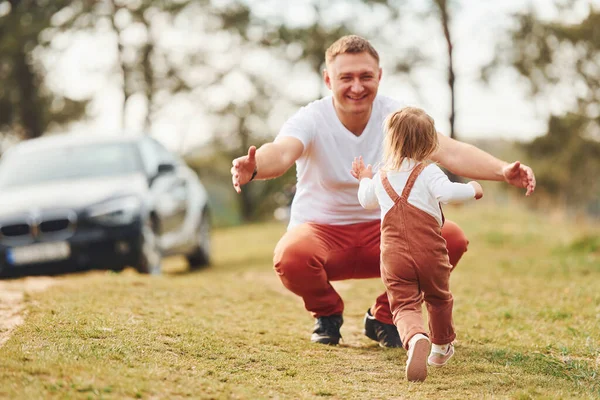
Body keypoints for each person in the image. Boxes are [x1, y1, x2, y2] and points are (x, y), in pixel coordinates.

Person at [230, 35, 535, 348]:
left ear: (379, 76)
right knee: (290, 257)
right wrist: (253, 167)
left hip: (389, 233)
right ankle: (327, 313)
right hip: (323, 233)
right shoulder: (311, 118)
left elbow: (451, 152)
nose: (357, 87)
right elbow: (280, 154)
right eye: (346, 78)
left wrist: (502, 170)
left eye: (366, 76)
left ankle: (385, 314)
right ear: (327, 79)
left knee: (451, 238)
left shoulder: (398, 117)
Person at [351, 107, 483, 381]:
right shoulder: (429, 172)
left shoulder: (382, 175)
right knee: (438, 298)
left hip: (394, 256)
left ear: (391, 141)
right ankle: (440, 347)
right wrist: (473, 188)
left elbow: (366, 200)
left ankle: (414, 339)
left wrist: (364, 177)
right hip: (431, 253)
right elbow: (448, 193)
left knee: (403, 305)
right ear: (429, 144)